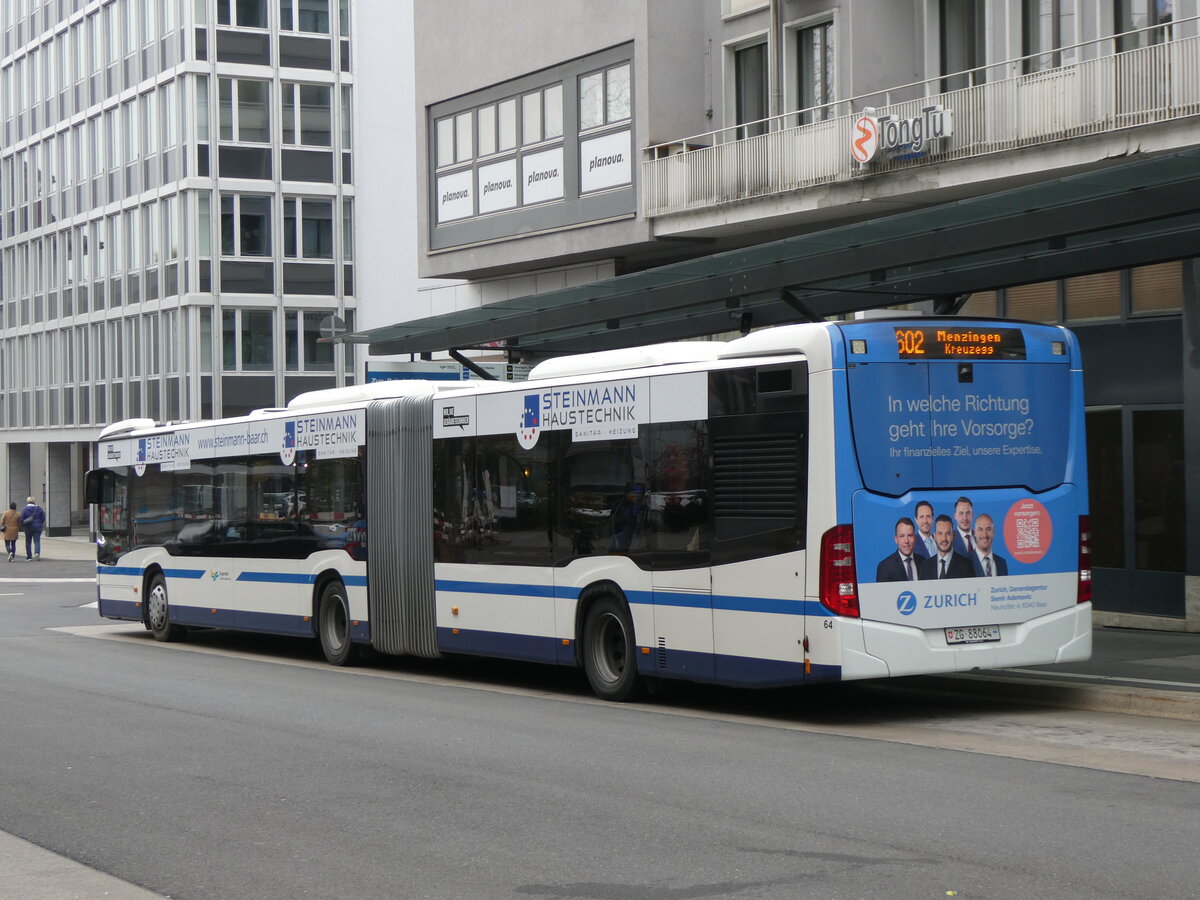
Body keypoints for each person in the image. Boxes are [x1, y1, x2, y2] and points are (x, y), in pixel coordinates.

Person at [920, 514, 974, 580]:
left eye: (948, 533)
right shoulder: (925, 567)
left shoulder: (966, 566)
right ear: (934, 536)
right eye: (940, 533)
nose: (944, 539)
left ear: (954, 535)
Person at [875, 517, 922, 582]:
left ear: (915, 538)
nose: (906, 541)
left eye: (910, 535)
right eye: (902, 536)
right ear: (896, 539)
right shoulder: (885, 567)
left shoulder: (923, 562)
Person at [970, 513, 1009, 577]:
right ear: (975, 533)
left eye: (988, 529)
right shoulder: (965, 562)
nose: (985, 535)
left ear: (993, 532)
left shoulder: (1002, 563)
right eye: (980, 530)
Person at [20, 496, 45, 561]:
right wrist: (40, 524)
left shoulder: (25, 509)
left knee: (28, 542)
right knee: (37, 541)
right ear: (34, 501)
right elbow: (43, 518)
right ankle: (37, 553)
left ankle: (29, 556)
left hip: (28, 527)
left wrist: (23, 526)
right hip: (38, 526)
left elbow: (22, 519)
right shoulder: (39, 509)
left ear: (27, 501)